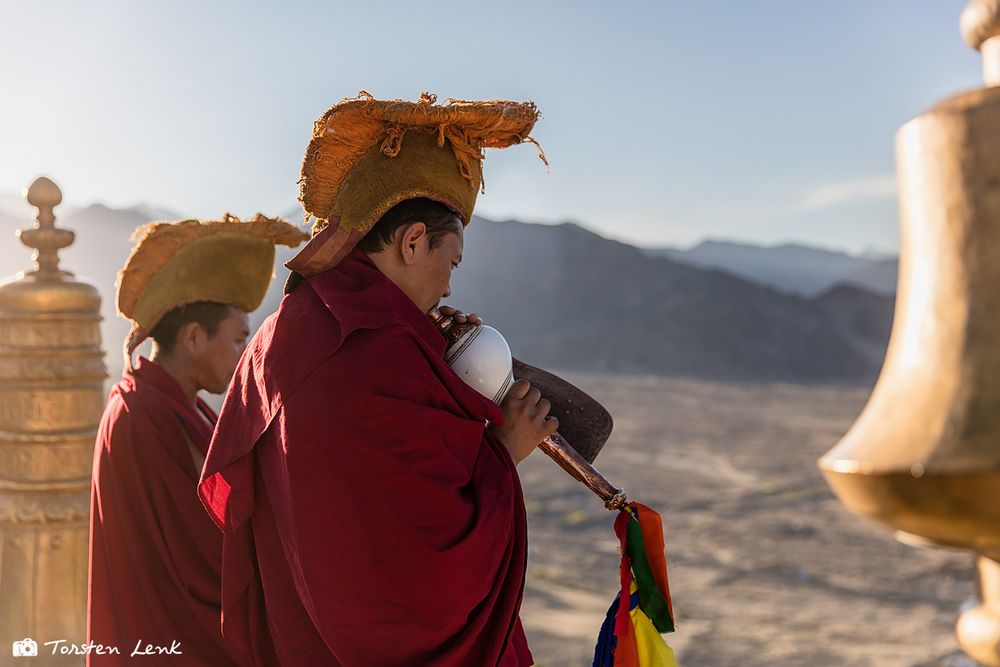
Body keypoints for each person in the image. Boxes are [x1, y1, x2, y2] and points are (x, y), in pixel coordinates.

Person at [199, 92, 553, 666]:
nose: (448, 289)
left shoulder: (288, 328)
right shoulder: (372, 351)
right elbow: (424, 578)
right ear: (413, 242)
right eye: (452, 262)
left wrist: (437, 360)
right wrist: (504, 452)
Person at [87, 214, 307, 665]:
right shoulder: (144, 415)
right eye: (237, 339)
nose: (243, 356)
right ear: (192, 338)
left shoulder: (178, 406)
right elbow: (210, 551)